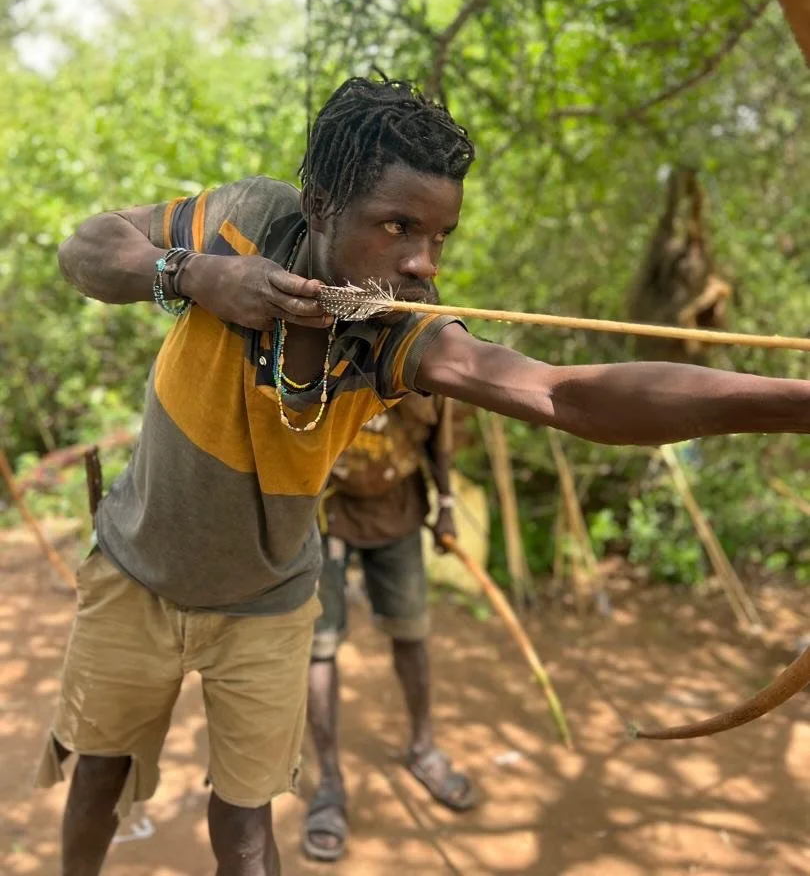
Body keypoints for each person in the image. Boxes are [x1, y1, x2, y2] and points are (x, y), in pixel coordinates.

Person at [48, 75, 810, 876]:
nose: (420, 263)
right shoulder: (244, 219)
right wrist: (194, 275)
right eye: (398, 226)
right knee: (99, 774)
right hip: (136, 568)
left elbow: (559, 392)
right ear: (318, 207)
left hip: (265, 601)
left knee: (244, 828)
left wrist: (797, 404)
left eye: (439, 237)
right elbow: (86, 249)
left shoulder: (398, 331)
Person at [304, 391, 471, 862]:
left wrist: (447, 504)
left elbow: (440, 428)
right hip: (326, 512)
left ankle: (424, 748)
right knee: (321, 646)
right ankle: (330, 783)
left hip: (398, 509)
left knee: (411, 631)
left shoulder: (422, 324)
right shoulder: (323, 324)